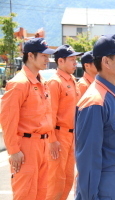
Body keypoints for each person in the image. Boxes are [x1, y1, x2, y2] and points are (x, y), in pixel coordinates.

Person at [75, 34, 115, 200]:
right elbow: (88, 159)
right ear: (106, 62)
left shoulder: (114, 94)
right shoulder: (96, 101)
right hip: (102, 183)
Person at [0, 38, 55, 200]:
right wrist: (14, 151)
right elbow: (8, 120)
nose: (48, 59)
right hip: (26, 146)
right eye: (44, 56)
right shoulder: (19, 84)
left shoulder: (41, 82)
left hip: (42, 144)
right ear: (30, 56)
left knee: (42, 193)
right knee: (26, 193)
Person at [46, 44, 83, 200]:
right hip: (60, 136)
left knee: (67, 179)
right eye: (71, 59)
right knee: (56, 180)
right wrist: (52, 140)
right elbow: (50, 113)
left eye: (75, 59)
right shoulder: (55, 82)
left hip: (72, 136)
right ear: (60, 61)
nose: (75, 63)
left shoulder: (72, 79)